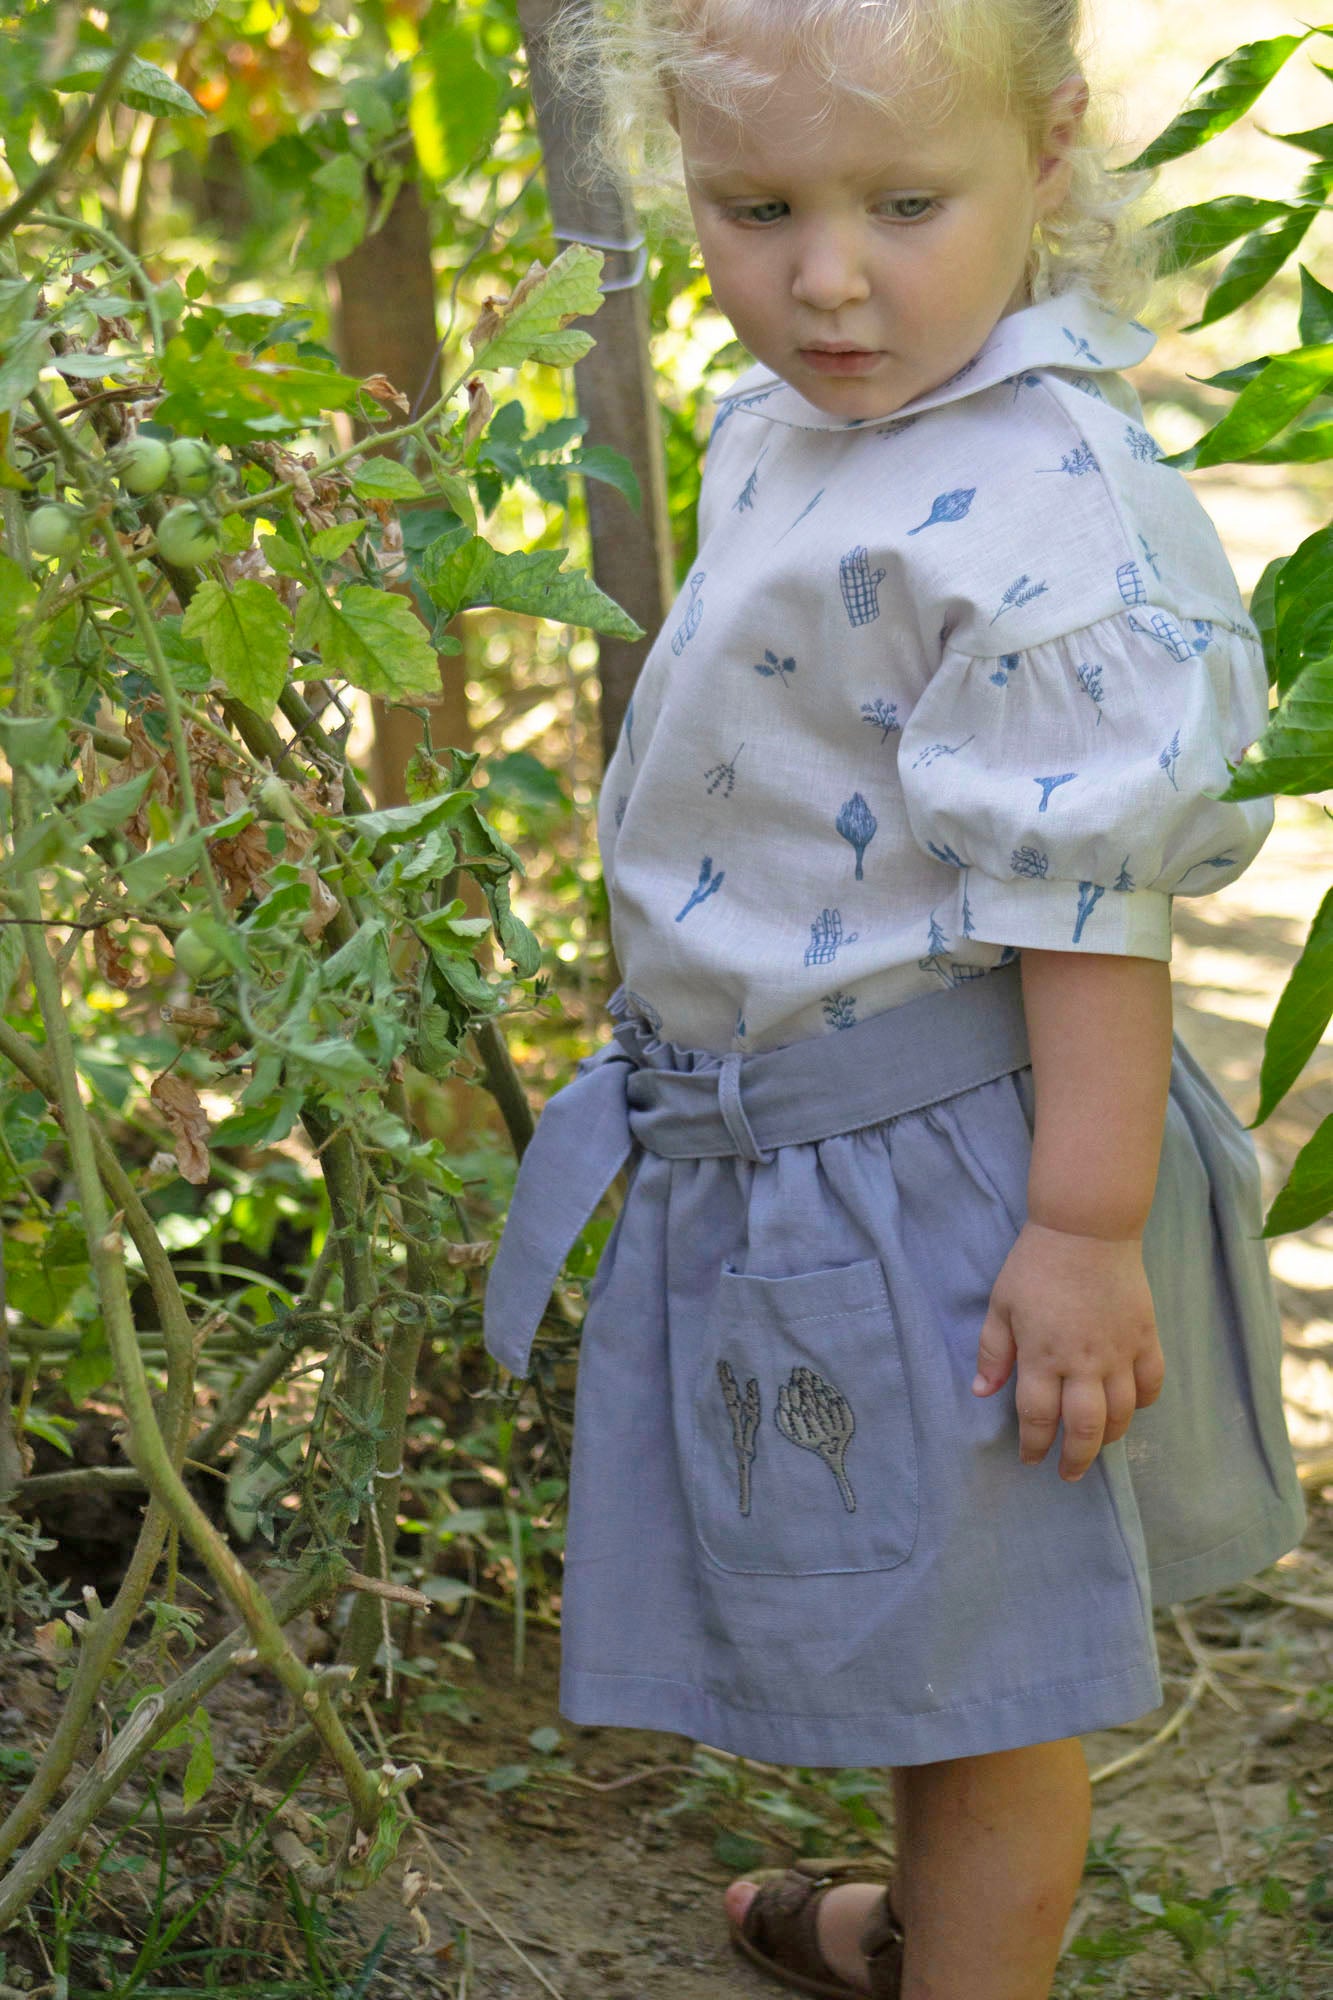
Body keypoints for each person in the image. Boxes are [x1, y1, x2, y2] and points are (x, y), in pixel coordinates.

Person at [484, 2, 1307, 1994]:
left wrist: (1081, 1229)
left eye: (901, 204)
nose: (824, 278)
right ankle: (918, 1929)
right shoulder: (815, 412)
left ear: (1047, 151)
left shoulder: (1045, 518)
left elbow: (1087, 910)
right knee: (913, 1610)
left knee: (996, 1676)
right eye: (754, 205)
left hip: (966, 1171)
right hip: (811, 1149)